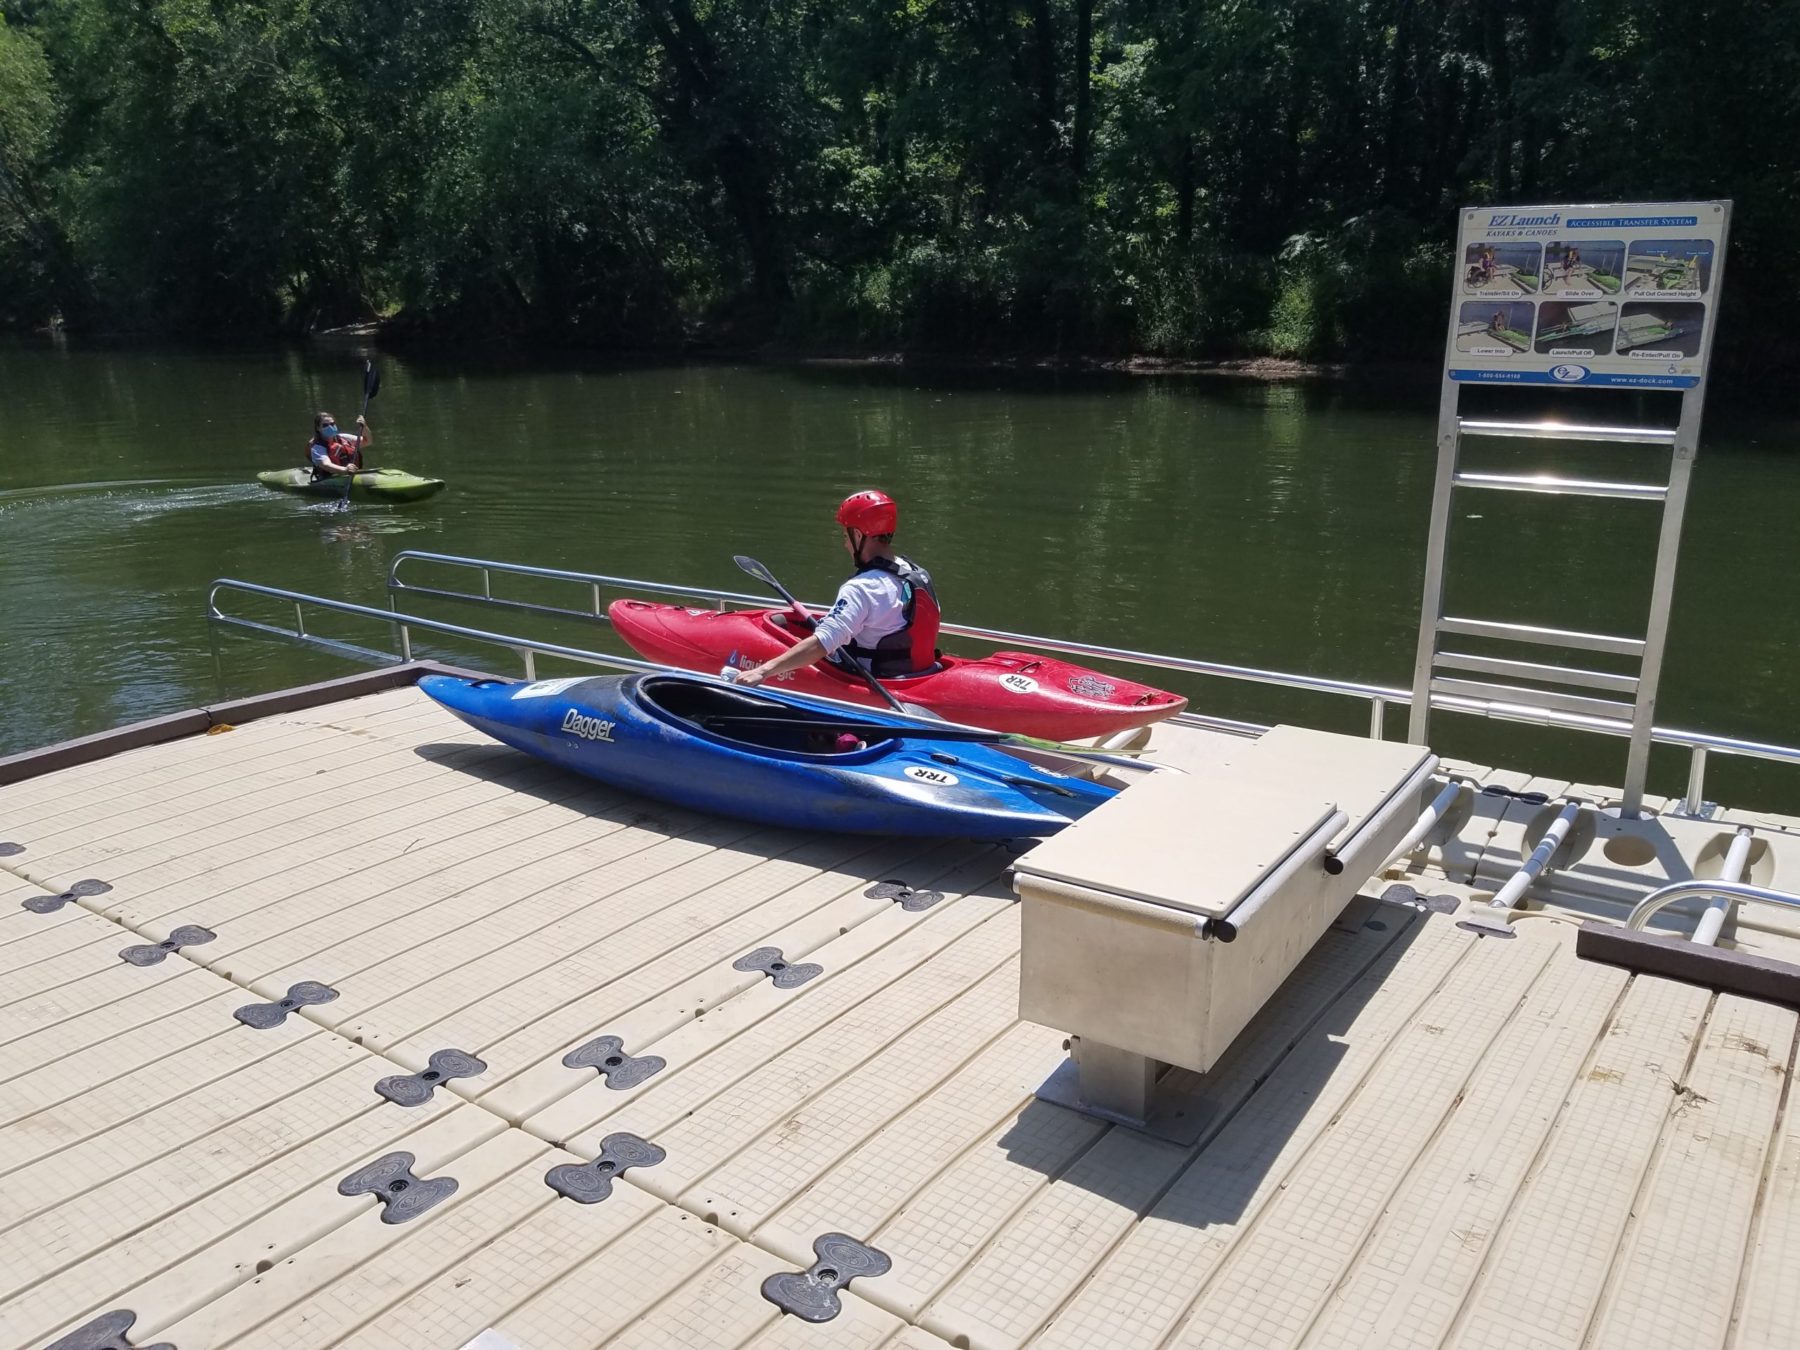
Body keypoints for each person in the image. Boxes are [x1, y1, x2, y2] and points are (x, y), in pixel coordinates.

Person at [736, 490, 941, 687]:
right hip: (920, 673)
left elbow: (821, 645)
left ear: (859, 536)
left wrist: (762, 671)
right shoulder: (917, 574)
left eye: (846, 536)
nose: (846, 545)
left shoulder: (861, 588)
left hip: (873, 680)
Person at [307, 412, 370, 480]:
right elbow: (326, 465)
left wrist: (365, 427)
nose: (330, 427)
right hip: (330, 479)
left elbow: (367, 441)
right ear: (318, 428)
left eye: (332, 424)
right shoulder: (317, 447)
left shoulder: (343, 437)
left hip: (354, 475)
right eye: (325, 425)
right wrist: (345, 469)